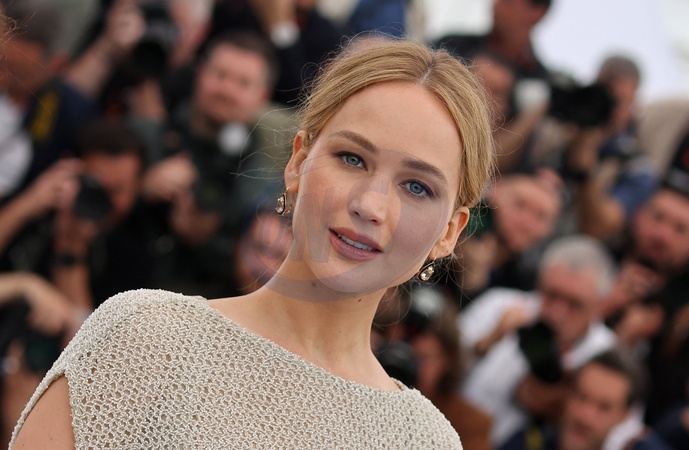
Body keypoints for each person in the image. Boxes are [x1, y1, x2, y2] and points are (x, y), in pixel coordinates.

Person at [10, 39, 494, 448]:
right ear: (298, 162)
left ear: (450, 232)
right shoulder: (145, 338)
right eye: (352, 158)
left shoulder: (424, 440)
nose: (370, 205)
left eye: (417, 187)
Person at [459, 235, 617, 447]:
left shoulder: (608, 356)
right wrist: (489, 341)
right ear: (540, 282)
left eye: (574, 304)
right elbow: (439, 371)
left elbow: (614, 437)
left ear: (600, 306)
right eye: (552, 295)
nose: (558, 312)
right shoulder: (498, 306)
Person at [500, 350, 672, 450]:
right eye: (581, 397)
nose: (585, 415)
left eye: (604, 407)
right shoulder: (528, 442)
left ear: (624, 416)